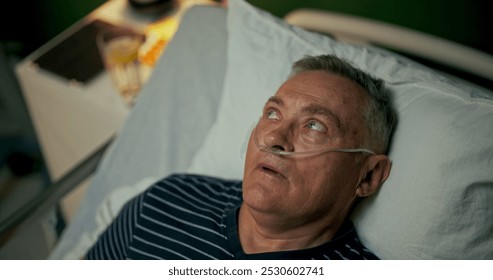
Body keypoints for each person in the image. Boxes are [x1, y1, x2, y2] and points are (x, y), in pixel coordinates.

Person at [86, 54, 396, 260]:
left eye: (314, 126)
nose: (273, 138)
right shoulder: (164, 202)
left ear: (367, 176)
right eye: (272, 114)